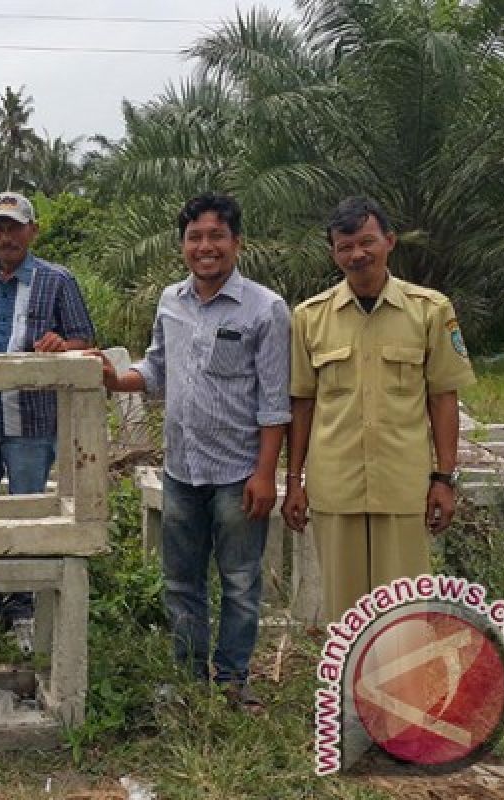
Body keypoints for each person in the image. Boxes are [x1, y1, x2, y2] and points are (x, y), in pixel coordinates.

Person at [93, 193, 290, 712]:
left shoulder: (266, 309)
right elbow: (156, 369)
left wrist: (265, 474)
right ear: (183, 245)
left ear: (236, 243)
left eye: (216, 236)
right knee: (181, 583)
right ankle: (188, 681)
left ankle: (232, 681)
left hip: (237, 472)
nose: (206, 247)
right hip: (181, 469)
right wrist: (118, 379)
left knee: (241, 582)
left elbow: (275, 402)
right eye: (195, 237)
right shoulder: (170, 301)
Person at [282, 197, 476, 622]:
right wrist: (294, 481)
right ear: (333, 252)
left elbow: (443, 397)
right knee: (344, 613)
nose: (357, 254)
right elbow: (301, 404)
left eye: (367, 242)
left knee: (404, 612)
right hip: (336, 483)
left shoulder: (430, 310)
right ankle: (349, 691)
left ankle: (403, 690)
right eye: (345, 246)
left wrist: (444, 478)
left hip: (402, 483)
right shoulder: (309, 318)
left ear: (389, 242)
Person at [0, 191, 96, 652]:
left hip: (32, 421)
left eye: (14, 226)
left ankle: (24, 608)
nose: (6, 236)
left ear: (33, 230)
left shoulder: (57, 281)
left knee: (29, 514)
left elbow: (85, 341)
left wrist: (60, 345)